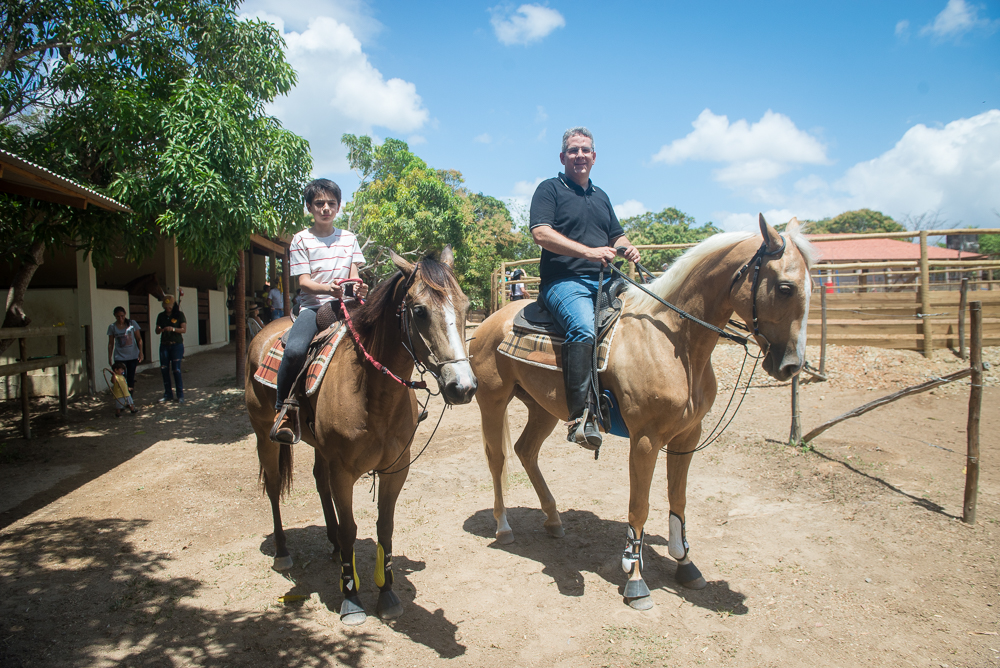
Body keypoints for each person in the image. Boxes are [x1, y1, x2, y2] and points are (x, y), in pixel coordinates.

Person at [529, 126, 640, 451]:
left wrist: (626, 246)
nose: (580, 156)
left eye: (585, 150)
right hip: (564, 282)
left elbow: (615, 235)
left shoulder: (601, 196)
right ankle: (581, 418)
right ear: (563, 157)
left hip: (606, 280)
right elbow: (541, 233)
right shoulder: (549, 189)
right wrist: (589, 253)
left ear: (594, 157)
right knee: (582, 329)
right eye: (573, 151)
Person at [271, 178, 368, 443]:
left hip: (347, 306)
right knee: (294, 350)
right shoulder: (301, 240)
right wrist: (329, 290)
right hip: (314, 308)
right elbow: (303, 282)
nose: (325, 208)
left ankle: (404, 398)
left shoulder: (349, 238)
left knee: (387, 333)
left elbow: (354, 276)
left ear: (339, 207)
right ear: (309, 208)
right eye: (319, 203)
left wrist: (358, 289)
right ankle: (284, 409)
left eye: (331, 203)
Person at [155, 294, 187, 404]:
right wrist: (160, 329)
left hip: (176, 345)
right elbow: (156, 330)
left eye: (169, 306)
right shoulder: (161, 316)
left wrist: (173, 329)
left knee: (176, 370)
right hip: (164, 344)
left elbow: (183, 329)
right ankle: (168, 394)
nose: (167, 308)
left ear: (173, 305)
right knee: (164, 369)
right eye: (165, 306)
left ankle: (180, 395)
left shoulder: (179, 315)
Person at [107, 306, 143, 395]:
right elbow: (111, 343)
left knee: (131, 377)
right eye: (118, 316)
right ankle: (122, 397)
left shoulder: (132, 323)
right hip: (120, 356)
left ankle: (130, 398)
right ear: (115, 316)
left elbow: (139, 339)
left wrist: (141, 352)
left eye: (122, 316)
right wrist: (109, 357)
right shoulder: (112, 327)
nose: (120, 318)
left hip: (132, 355)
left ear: (125, 314)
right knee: (121, 378)